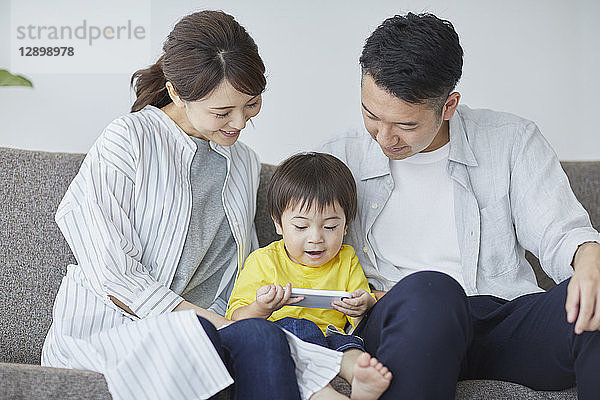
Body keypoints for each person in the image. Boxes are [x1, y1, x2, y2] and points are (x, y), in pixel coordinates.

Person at [41, 10, 341, 400]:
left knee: (262, 336)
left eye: (250, 105)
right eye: (222, 112)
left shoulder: (243, 162)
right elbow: (114, 275)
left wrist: (247, 314)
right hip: (113, 329)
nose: (239, 123)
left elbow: (234, 270)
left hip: (211, 328)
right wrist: (213, 323)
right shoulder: (127, 140)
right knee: (205, 338)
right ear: (177, 93)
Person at [319, 12, 600, 400]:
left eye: (406, 125)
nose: (384, 137)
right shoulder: (336, 157)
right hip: (406, 323)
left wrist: (590, 264)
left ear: (448, 105)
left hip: (502, 322)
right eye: (371, 115)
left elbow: (562, 233)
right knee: (433, 291)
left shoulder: (511, 140)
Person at [226, 152, 393, 400]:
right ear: (279, 225)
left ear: (346, 226)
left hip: (332, 336)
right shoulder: (263, 260)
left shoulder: (346, 259)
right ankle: (322, 393)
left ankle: (360, 378)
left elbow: (361, 309)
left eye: (330, 227)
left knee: (349, 345)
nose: (316, 238)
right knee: (300, 328)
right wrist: (262, 307)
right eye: (301, 227)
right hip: (286, 338)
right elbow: (235, 318)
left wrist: (363, 304)